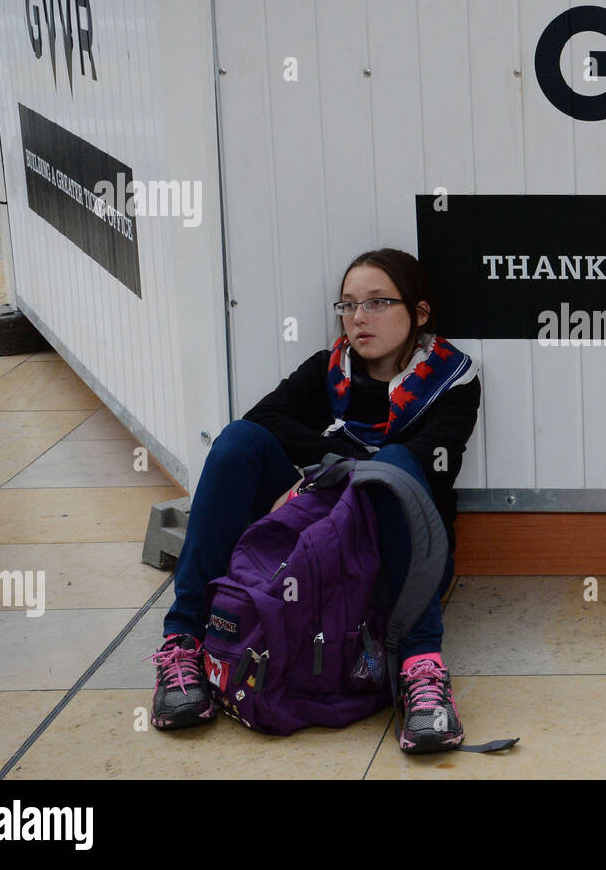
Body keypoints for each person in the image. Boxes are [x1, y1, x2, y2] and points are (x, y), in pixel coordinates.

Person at [147, 248, 482, 753]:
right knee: (238, 441)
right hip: (311, 543)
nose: (358, 318)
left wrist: (327, 471)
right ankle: (185, 642)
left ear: (419, 312)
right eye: (348, 305)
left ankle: (422, 669)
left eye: (377, 303)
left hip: (396, 545)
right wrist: (327, 470)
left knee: (390, 469)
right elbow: (264, 420)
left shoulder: (453, 379)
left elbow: (426, 469)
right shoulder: (329, 369)